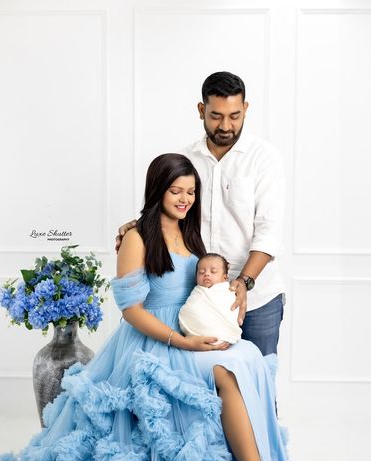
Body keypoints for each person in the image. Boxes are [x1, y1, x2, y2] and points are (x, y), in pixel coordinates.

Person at [0, 154, 368, 461]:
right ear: (157, 190)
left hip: (188, 329)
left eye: (190, 192)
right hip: (154, 339)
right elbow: (131, 312)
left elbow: (204, 287)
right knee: (224, 371)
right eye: (175, 191)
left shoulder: (190, 233)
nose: (185, 199)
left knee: (249, 358)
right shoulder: (136, 238)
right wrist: (182, 342)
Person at [116, 71, 285, 358]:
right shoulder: (186, 159)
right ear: (201, 110)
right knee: (206, 383)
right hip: (198, 301)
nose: (226, 126)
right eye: (216, 116)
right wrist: (140, 228)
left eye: (234, 116)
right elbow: (172, 210)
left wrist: (243, 282)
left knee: (256, 377)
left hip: (257, 299)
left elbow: (269, 232)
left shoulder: (264, 158)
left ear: (245, 109)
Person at [178, 253, 242, 344]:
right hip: (196, 336)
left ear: (225, 277)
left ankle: (219, 336)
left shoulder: (227, 292)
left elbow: (230, 311)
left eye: (213, 271)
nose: (207, 274)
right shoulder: (197, 292)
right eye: (201, 272)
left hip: (224, 334)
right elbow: (190, 310)